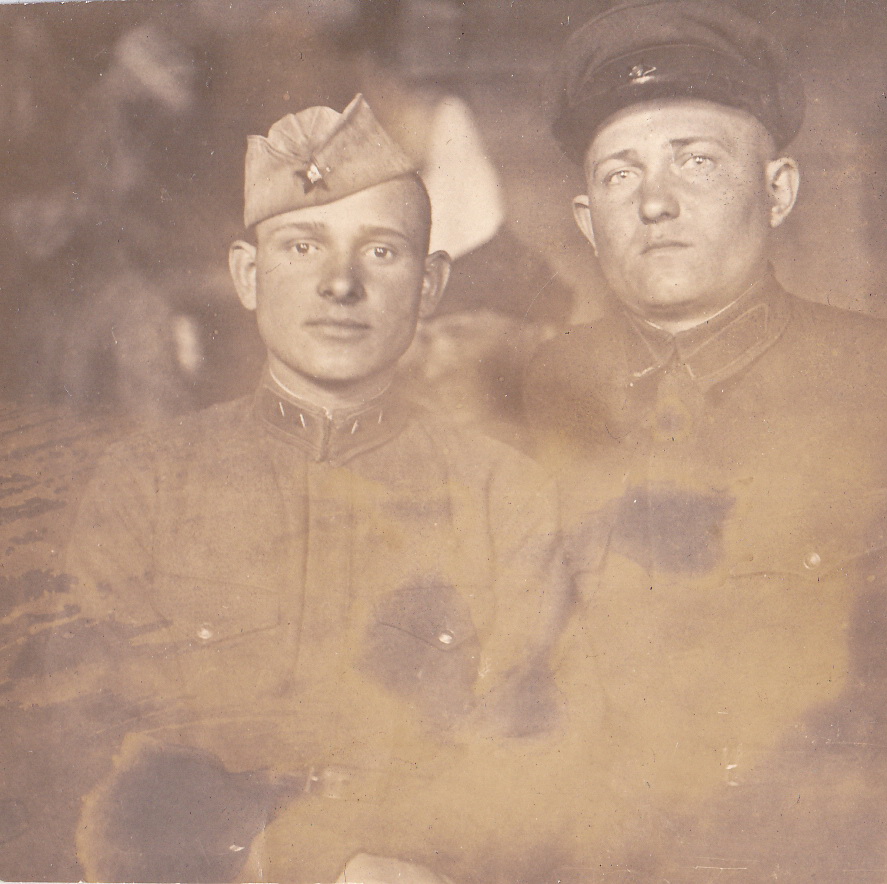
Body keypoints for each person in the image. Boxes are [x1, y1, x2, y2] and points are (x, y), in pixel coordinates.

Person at [524, 2, 887, 880]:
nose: (655, 201)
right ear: (587, 218)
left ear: (778, 190)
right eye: (620, 175)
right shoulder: (530, 397)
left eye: (697, 160)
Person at [61, 95, 568, 883]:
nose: (340, 283)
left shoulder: (509, 497)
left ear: (430, 285)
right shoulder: (144, 487)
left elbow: (532, 762)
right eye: (302, 246)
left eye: (381, 252)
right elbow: (84, 758)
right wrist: (298, 857)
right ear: (248, 274)